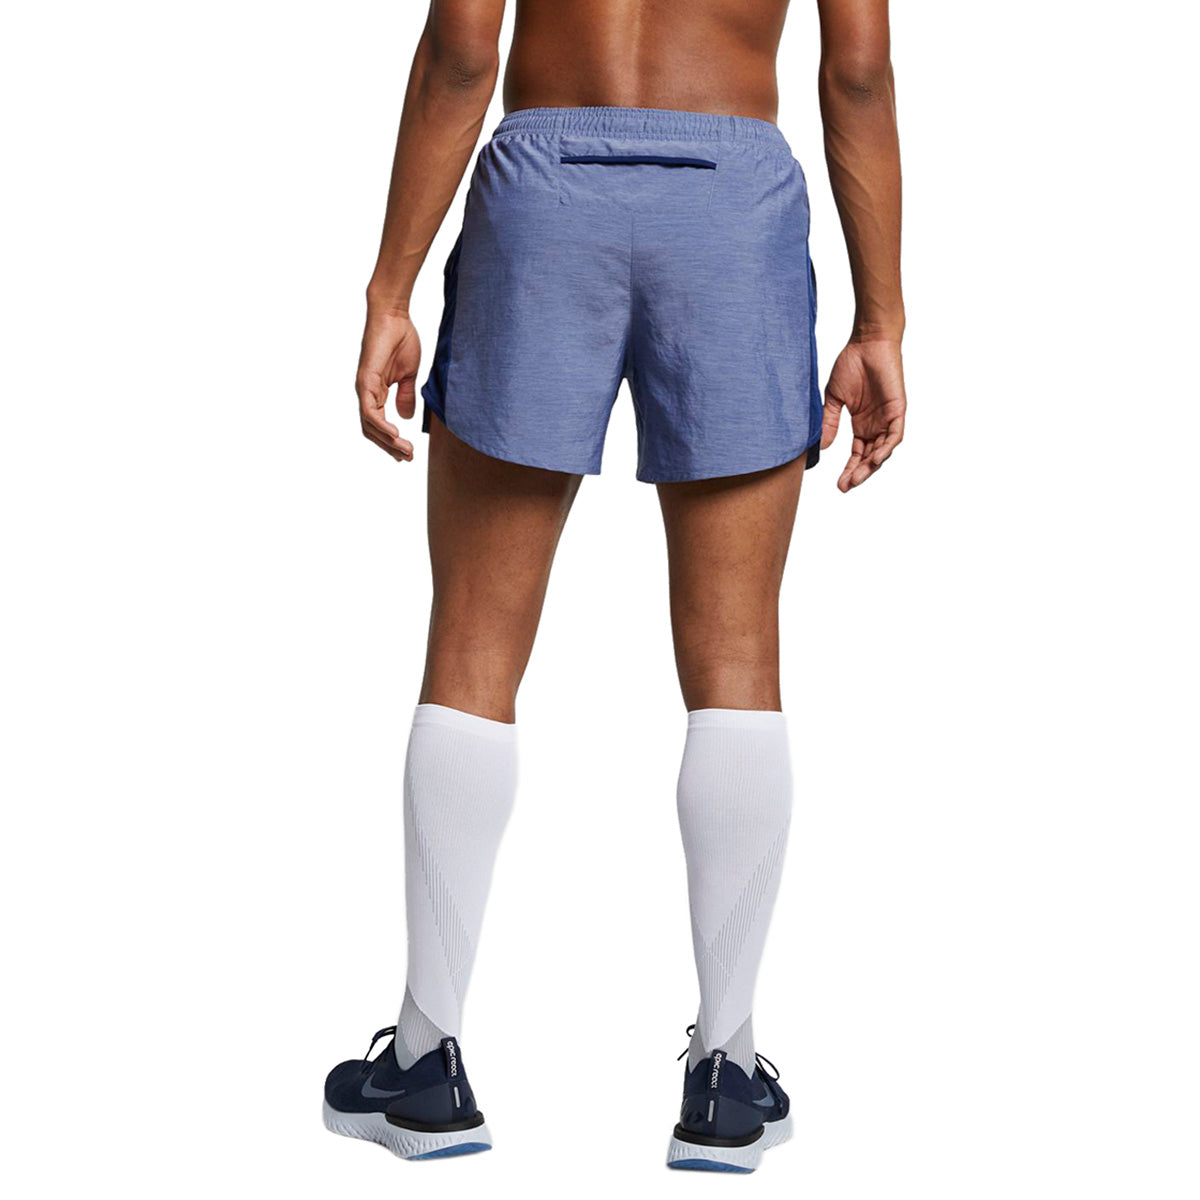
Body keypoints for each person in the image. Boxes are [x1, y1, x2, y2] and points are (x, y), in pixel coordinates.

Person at [323, 0, 906, 1174]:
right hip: (731, 201)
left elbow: (461, 49)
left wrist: (391, 290)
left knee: (473, 645)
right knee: (738, 655)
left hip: (546, 190)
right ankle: (727, 1073)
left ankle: (425, 1062)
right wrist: (881, 317)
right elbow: (858, 70)